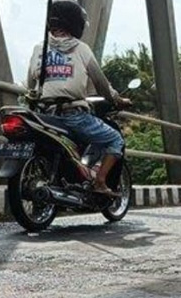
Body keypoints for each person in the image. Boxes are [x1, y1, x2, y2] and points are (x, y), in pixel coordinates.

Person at [26, 0, 131, 196]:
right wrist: (116, 99)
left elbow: (30, 83)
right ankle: (99, 181)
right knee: (115, 139)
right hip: (73, 115)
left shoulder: (39, 49)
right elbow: (101, 83)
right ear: (75, 23)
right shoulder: (81, 49)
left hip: (45, 115)